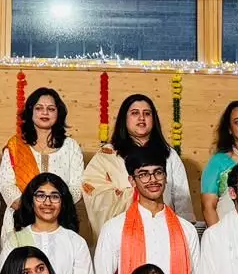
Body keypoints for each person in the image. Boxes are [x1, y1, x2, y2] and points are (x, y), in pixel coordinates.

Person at [92, 143, 198, 274]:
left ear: (166, 177)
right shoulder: (114, 228)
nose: (153, 179)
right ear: (132, 181)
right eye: (143, 174)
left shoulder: (187, 230)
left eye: (158, 172)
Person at [81, 94, 194, 239]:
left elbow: (182, 199)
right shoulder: (108, 154)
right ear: (124, 119)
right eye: (135, 113)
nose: (141, 118)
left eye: (147, 113)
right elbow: (93, 189)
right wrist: (134, 195)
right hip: (122, 234)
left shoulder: (169, 154)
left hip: (164, 230)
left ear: (153, 119)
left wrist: (184, 233)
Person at [3, 173, 94, 274]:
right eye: (40, 196)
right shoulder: (14, 241)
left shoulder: (76, 242)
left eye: (54, 196)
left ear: (63, 202)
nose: (47, 202)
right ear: (31, 201)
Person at [0, 87, 84, 226]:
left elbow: (77, 186)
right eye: (39, 108)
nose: (45, 112)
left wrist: (54, 208)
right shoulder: (16, 146)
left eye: (51, 109)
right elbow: (7, 185)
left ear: (59, 113)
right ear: (30, 112)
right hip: (21, 219)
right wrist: (30, 210)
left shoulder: (71, 147)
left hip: (59, 220)